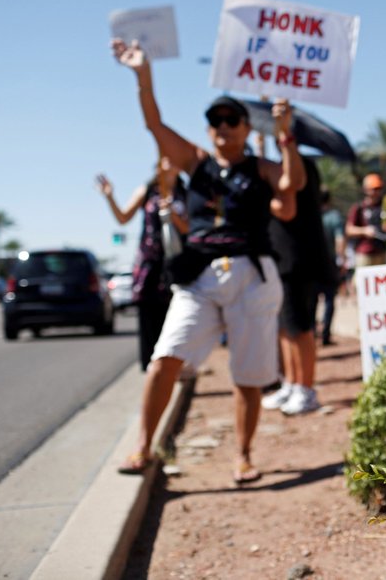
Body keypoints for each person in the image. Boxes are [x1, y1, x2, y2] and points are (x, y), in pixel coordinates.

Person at [111, 38, 305, 483]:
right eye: (215, 120)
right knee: (166, 357)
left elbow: (291, 185)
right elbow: (154, 124)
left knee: (248, 373)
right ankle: (143, 446)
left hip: (252, 274)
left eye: (231, 119)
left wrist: (285, 133)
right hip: (199, 276)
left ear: (243, 125)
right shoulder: (195, 162)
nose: (222, 126)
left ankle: (243, 455)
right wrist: (143, 74)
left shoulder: (259, 167)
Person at [96, 159, 188, 370]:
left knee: (175, 313)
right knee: (149, 313)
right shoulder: (147, 192)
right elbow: (123, 217)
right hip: (150, 263)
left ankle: (174, 365)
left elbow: (189, 228)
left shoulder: (185, 193)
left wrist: (173, 213)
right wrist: (110, 196)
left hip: (176, 261)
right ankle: (149, 365)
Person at [263, 156, 334, 415]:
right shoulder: (278, 168)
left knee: (300, 327)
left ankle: (306, 389)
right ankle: (292, 383)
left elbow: (291, 190)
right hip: (279, 261)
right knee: (285, 327)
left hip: (297, 261)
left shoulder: (302, 165)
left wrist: (286, 138)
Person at [316, 187, 345, 346]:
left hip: (312, 264)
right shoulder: (334, 217)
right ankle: (326, 334)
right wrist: (341, 259)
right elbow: (340, 240)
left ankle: (312, 332)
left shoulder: (311, 215)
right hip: (329, 264)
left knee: (312, 299)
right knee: (329, 300)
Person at [345, 173, 386, 268]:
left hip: (382, 251)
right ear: (366, 190)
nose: (377, 192)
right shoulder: (359, 207)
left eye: (379, 189)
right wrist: (365, 231)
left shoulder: (384, 205)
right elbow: (349, 229)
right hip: (364, 253)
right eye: (374, 189)